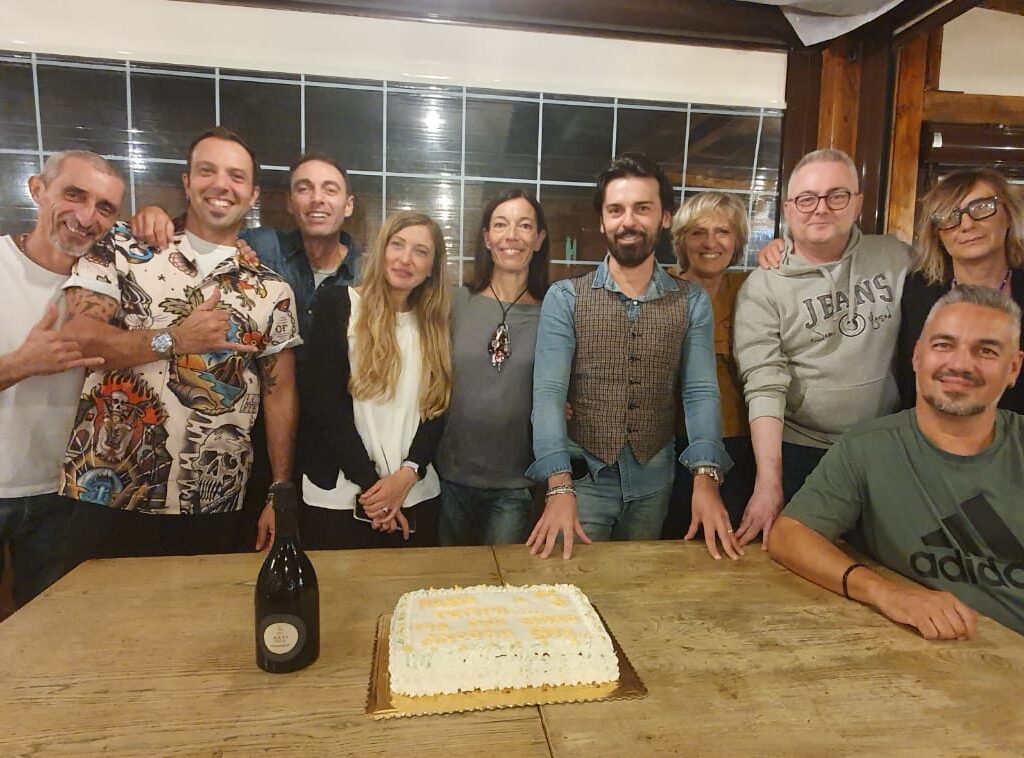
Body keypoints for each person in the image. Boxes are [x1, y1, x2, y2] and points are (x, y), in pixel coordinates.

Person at [59, 126, 301, 561]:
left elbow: (279, 393)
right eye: (207, 171)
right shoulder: (122, 246)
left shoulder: (271, 289)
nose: (221, 184)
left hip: (212, 497)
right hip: (106, 488)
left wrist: (278, 491)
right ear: (187, 183)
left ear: (253, 194)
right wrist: (175, 339)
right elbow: (80, 338)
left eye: (236, 176)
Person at [130, 152, 361, 548]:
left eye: (330, 189)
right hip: (257, 428)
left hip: (335, 429)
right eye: (304, 189)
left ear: (348, 204)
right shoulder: (263, 246)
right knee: (253, 543)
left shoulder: (366, 274)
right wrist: (157, 216)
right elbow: (207, 230)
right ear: (290, 202)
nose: (317, 199)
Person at [770, 285, 1024, 638]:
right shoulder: (867, 448)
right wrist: (886, 593)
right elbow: (790, 535)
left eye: (986, 351)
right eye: (944, 345)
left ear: (1013, 368)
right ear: (917, 355)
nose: (960, 364)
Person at [528, 152, 735, 561]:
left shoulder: (691, 301)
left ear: (665, 217)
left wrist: (706, 479)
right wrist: (558, 487)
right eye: (615, 210)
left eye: (642, 208)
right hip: (581, 482)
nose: (628, 221)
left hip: (655, 479)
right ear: (602, 221)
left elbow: (699, 393)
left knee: (639, 586)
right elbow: (548, 395)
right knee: (568, 584)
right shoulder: (565, 298)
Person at [734, 148, 912, 545]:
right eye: (807, 199)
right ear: (789, 209)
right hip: (803, 452)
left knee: (889, 564)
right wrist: (768, 482)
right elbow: (764, 384)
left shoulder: (896, 257)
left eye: (836, 196)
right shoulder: (763, 287)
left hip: (884, 447)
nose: (821, 208)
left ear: (857, 203)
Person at [0, 151, 121, 605]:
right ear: (37, 190)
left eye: (105, 207)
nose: (87, 217)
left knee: (50, 629)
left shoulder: (110, 280)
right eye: (74, 194)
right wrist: (20, 364)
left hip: (66, 496)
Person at [300, 211, 452, 548]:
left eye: (421, 251)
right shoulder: (339, 304)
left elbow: (437, 409)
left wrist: (408, 474)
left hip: (414, 497)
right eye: (397, 245)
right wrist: (375, 491)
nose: (405, 259)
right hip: (341, 501)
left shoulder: (434, 325)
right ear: (382, 249)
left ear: (432, 267)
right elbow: (325, 405)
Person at [436, 189, 548, 546]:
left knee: (503, 580)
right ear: (486, 238)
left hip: (515, 484)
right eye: (500, 225)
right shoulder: (453, 302)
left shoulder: (554, 313)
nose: (511, 235)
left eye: (524, 226)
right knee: (447, 578)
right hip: (449, 477)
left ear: (539, 239)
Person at [662, 192, 756, 541]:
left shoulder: (752, 289)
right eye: (698, 232)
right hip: (669, 444)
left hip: (740, 444)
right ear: (681, 240)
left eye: (723, 232)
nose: (710, 242)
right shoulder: (661, 290)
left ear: (738, 241)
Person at [898, 168, 1024, 413]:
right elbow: (908, 378)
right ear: (937, 233)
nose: (966, 224)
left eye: (982, 208)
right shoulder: (916, 289)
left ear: (1008, 215)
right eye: (949, 215)